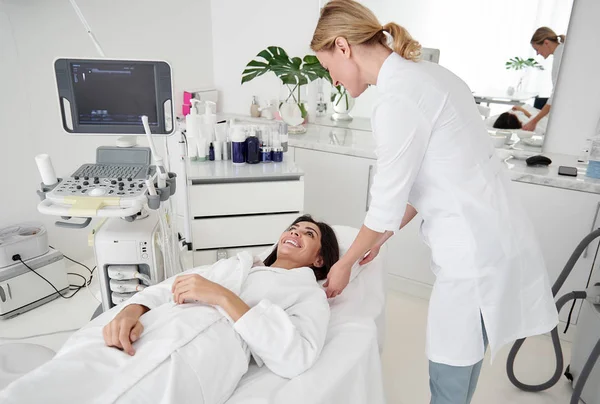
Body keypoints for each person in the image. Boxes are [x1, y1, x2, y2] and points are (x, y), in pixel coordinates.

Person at [310, 1, 558, 403]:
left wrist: (344, 262)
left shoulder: (396, 101)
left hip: (470, 254)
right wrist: (376, 241)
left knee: (449, 369)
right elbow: (423, 186)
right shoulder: (428, 76)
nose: (333, 80)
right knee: (465, 359)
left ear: (343, 47)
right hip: (493, 238)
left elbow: (386, 203)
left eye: (327, 67)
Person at [0, 215, 339, 404]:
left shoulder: (308, 293)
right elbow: (171, 285)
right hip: (150, 331)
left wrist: (223, 297)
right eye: (293, 227)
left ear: (319, 258)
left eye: (308, 233)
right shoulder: (240, 263)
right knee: (51, 385)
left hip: (199, 360)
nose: (295, 232)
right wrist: (132, 310)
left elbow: (296, 356)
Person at [521, 27, 566, 132]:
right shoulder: (562, 53)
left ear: (546, 43)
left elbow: (555, 94)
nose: (537, 53)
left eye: (537, 49)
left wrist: (534, 121)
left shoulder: (560, 57)